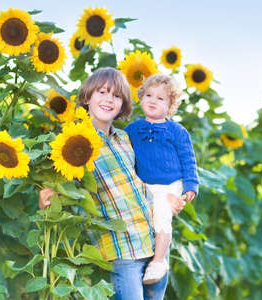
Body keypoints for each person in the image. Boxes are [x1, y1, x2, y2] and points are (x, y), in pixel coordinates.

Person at [38, 67, 186, 300]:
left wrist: (168, 197)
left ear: (123, 104)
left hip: (152, 243)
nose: (109, 99)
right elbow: (62, 188)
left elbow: (142, 181)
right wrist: (49, 197)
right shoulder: (73, 144)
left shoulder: (125, 139)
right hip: (120, 250)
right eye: (102, 92)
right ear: (87, 97)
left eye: (117, 96)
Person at [124, 74, 199, 285]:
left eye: (160, 98)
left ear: (170, 104)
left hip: (169, 185)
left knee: (163, 214)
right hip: (144, 183)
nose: (152, 100)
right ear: (141, 97)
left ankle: (158, 261)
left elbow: (188, 160)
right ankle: (140, 254)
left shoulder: (177, 131)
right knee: (142, 216)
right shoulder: (133, 129)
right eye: (148, 95)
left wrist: (191, 185)